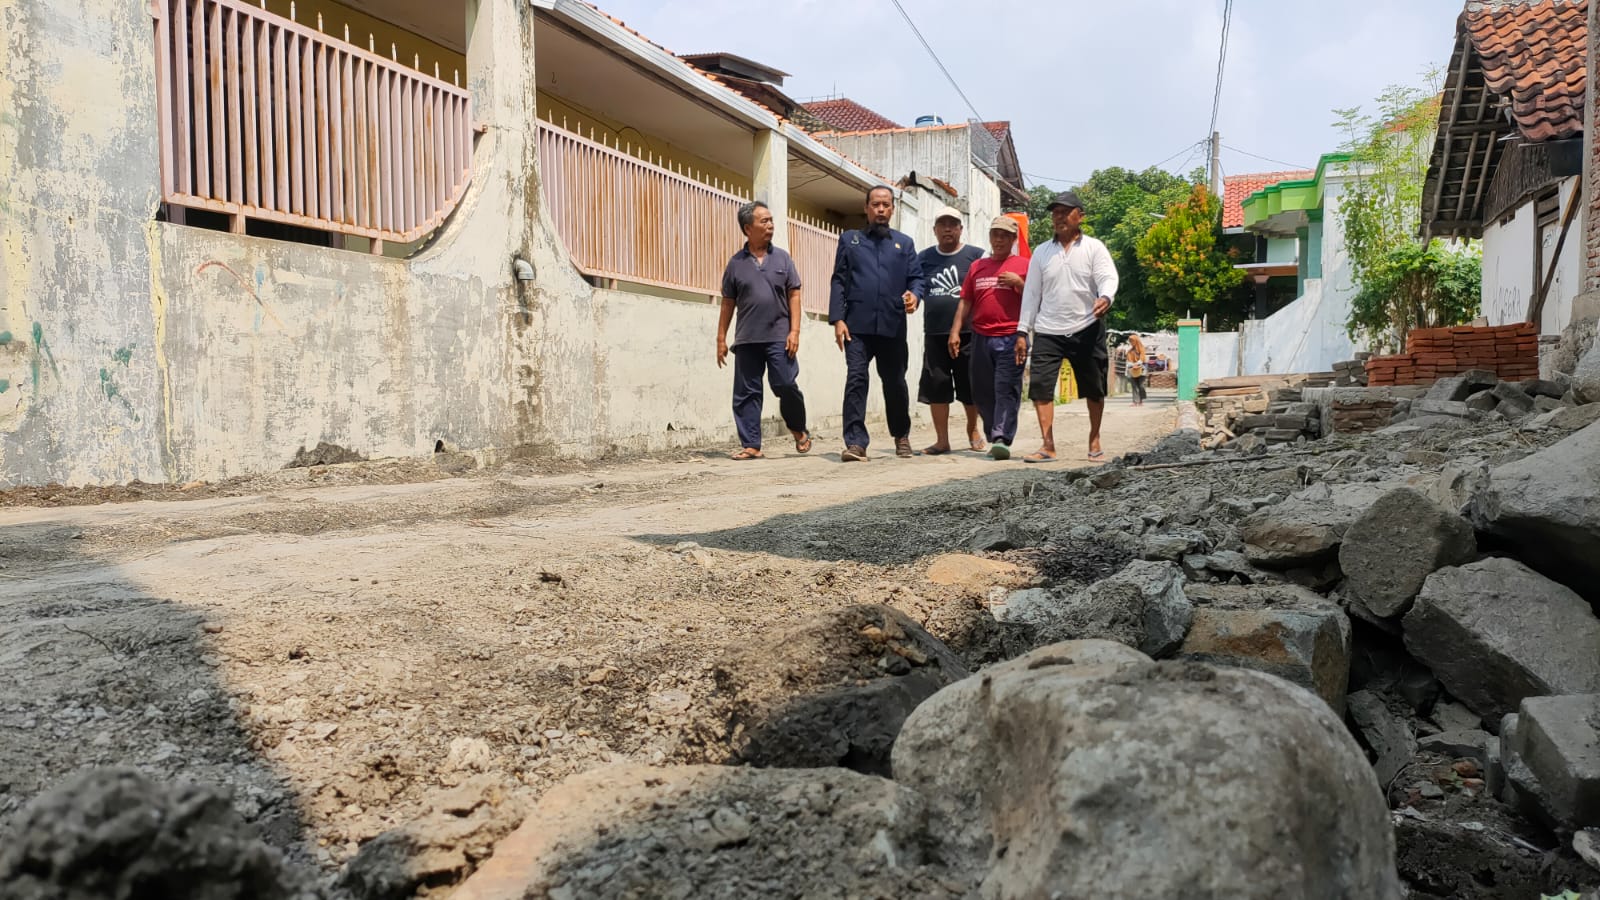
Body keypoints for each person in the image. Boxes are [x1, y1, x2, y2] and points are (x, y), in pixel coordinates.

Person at [1017, 190, 1119, 462]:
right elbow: (1031, 293)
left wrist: (1106, 297)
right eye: (1055, 213)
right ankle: (1047, 445)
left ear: (1080, 216)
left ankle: (1094, 439)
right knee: (1040, 387)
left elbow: (1108, 277)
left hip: (1087, 326)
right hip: (1048, 329)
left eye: (1065, 212)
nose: (1059, 217)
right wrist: (1022, 331)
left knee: (1094, 388)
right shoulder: (1041, 252)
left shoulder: (1094, 248)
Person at [829, 185, 925, 461]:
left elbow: (916, 279)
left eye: (886, 205)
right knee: (856, 379)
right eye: (875, 205)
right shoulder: (850, 240)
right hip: (856, 326)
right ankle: (855, 443)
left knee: (895, 383)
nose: (881, 210)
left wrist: (914, 296)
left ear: (892, 209)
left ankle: (901, 436)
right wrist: (837, 319)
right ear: (866, 208)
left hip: (892, 326)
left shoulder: (904, 244)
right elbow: (839, 280)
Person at [716, 201, 810, 460]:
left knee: (785, 384)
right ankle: (751, 445)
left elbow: (794, 294)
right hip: (747, 338)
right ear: (748, 228)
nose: (770, 225)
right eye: (764, 221)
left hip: (779, 336)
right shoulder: (736, 263)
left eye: (771, 220)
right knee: (747, 392)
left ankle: (798, 429)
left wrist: (795, 331)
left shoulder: (783, 258)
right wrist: (721, 338)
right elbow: (727, 303)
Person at [950, 216, 1029, 459]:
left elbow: (1037, 298)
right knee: (982, 390)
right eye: (995, 234)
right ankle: (993, 433)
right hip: (980, 337)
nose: (999, 239)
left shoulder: (1024, 265)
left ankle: (1001, 437)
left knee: (1005, 387)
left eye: (1004, 235)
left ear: (1013, 239)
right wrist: (955, 331)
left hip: (1012, 336)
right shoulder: (978, 266)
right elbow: (966, 301)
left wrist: (1019, 283)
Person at [915, 206, 985, 455]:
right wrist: (912, 299)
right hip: (935, 333)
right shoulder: (923, 258)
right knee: (937, 387)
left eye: (953, 224)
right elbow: (915, 285)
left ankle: (973, 429)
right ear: (934, 229)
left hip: (968, 334)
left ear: (960, 229)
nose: (947, 229)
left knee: (970, 385)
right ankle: (942, 440)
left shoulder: (976, 256)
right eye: (942, 225)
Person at [1124, 332, 1149, 406]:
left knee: (1141, 386)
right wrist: (1133, 365)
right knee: (1134, 386)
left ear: (1136, 341)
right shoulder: (1129, 351)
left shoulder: (1142, 349)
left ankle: (1141, 400)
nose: (1131, 343)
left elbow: (1142, 359)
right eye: (1130, 341)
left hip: (1142, 370)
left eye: (1132, 341)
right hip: (1132, 370)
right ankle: (1135, 401)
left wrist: (1137, 364)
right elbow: (1128, 361)